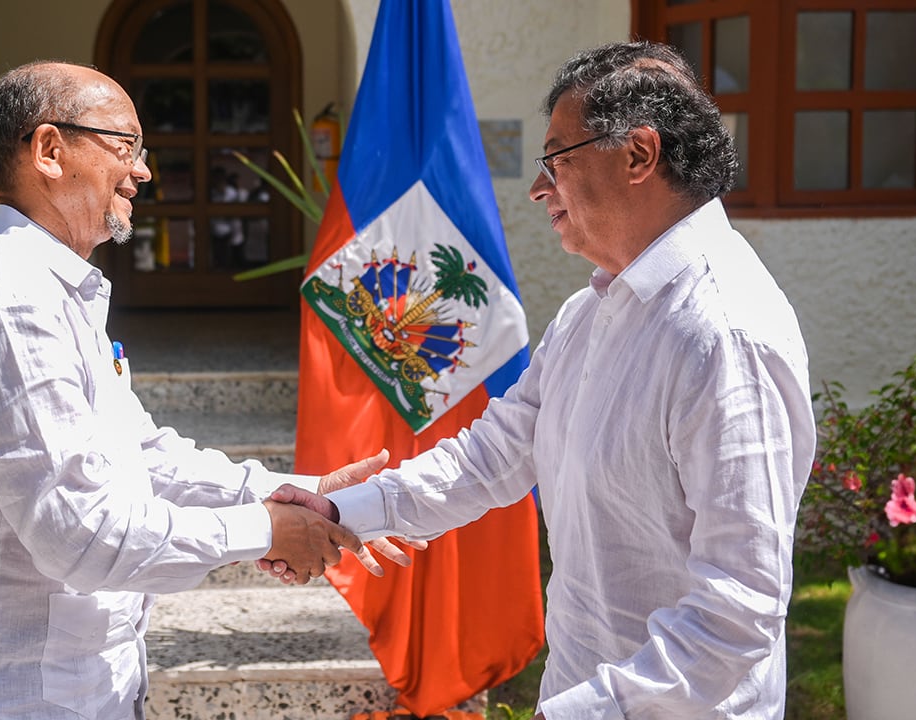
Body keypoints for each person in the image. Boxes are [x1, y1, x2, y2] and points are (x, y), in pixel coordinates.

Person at [0, 60, 405, 719]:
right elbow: (84, 536)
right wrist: (267, 529)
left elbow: (146, 456)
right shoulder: (9, 303)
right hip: (1, 696)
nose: (143, 171)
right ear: (49, 150)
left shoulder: (52, 291)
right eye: (125, 145)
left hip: (73, 689)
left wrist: (294, 494)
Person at [308, 41, 817, 719]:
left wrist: (582, 711)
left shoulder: (723, 334)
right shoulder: (593, 309)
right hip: (581, 689)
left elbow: (738, 611)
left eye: (557, 160)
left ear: (638, 155)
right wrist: (342, 513)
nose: (540, 187)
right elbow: (494, 456)